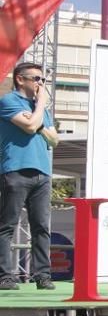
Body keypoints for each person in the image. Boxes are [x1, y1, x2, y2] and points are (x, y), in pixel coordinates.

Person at [0, 62, 59, 290]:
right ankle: (5, 276)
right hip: (15, 170)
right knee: (7, 225)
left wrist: (39, 122)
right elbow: (27, 126)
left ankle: (42, 275)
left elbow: (54, 140)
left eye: (42, 80)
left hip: (42, 173)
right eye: (36, 79)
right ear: (20, 79)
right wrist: (39, 110)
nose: (40, 84)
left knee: (41, 226)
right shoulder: (8, 101)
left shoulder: (40, 109)